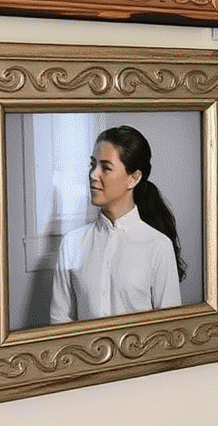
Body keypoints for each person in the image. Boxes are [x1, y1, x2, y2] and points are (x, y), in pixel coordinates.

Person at [50, 126, 186, 324]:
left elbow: (170, 329)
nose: (93, 174)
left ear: (134, 178)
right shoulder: (71, 244)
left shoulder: (158, 246)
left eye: (105, 167)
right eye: (93, 164)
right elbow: (59, 321)